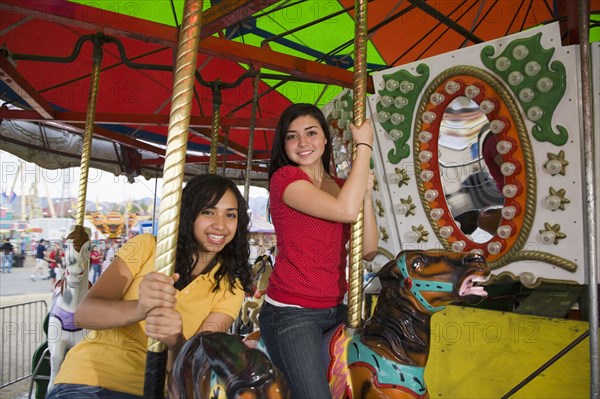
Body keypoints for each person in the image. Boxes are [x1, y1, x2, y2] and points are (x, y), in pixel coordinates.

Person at [46, 174, 253, 399]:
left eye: (230, 215)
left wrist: (176, 341)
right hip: (91, 379)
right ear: (188, 214)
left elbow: (196, 364)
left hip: (155, 389)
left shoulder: (230, 287)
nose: (220, 225)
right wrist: (139, 308)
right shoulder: (145, 247)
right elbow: (85, 314)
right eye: (208, 212)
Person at [258, 103, 379, 399]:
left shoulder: (341, 187)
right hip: (292, 313)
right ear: (284, 145)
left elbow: (369, 249)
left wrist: (364, 194)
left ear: (325, 138)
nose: (302, 143)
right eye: (292, 136)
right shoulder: (285, 180)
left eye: (311, 133)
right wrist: (363, 145)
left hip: (336, 308)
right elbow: (346, 211)